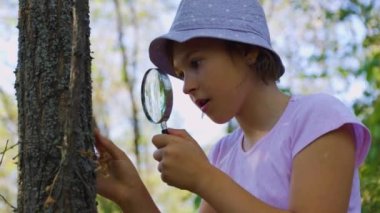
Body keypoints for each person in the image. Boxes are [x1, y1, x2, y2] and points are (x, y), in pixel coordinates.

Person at [95, 0, 371, 212]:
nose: (186, 86)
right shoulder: (224, 154)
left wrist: (204, 177)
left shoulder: (318, 118)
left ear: (248, 50)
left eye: (196, 63)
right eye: (180, 74)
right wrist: (130, 193)